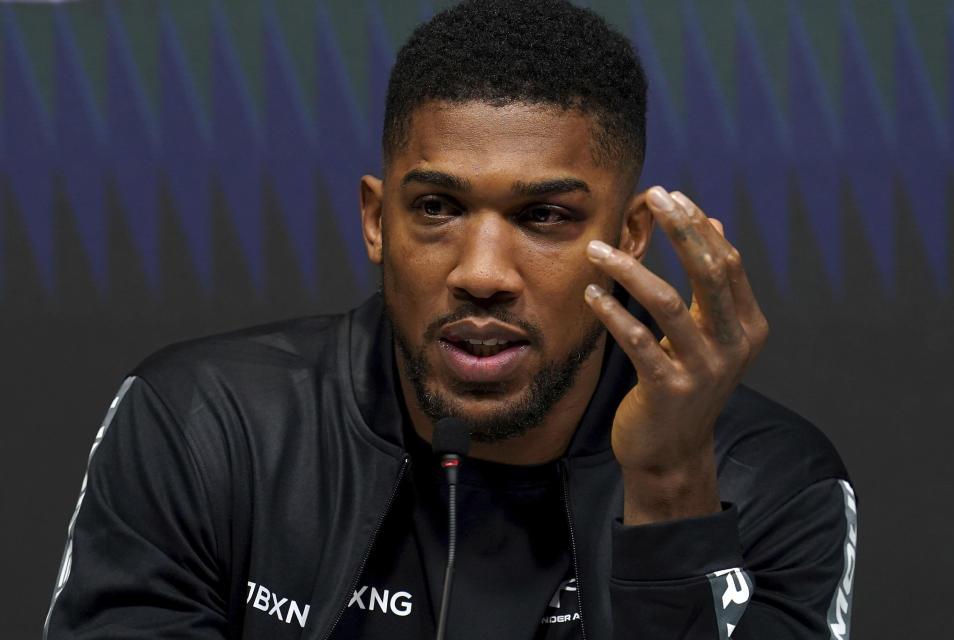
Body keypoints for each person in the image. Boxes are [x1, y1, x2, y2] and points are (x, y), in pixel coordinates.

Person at [44, 1, 856, 638]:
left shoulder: (773, 484)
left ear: (629, 238)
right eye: (437, 207)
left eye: (544, 217)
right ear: (376, 221)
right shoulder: (205, 428)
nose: (481, 274)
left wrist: (672, 488)